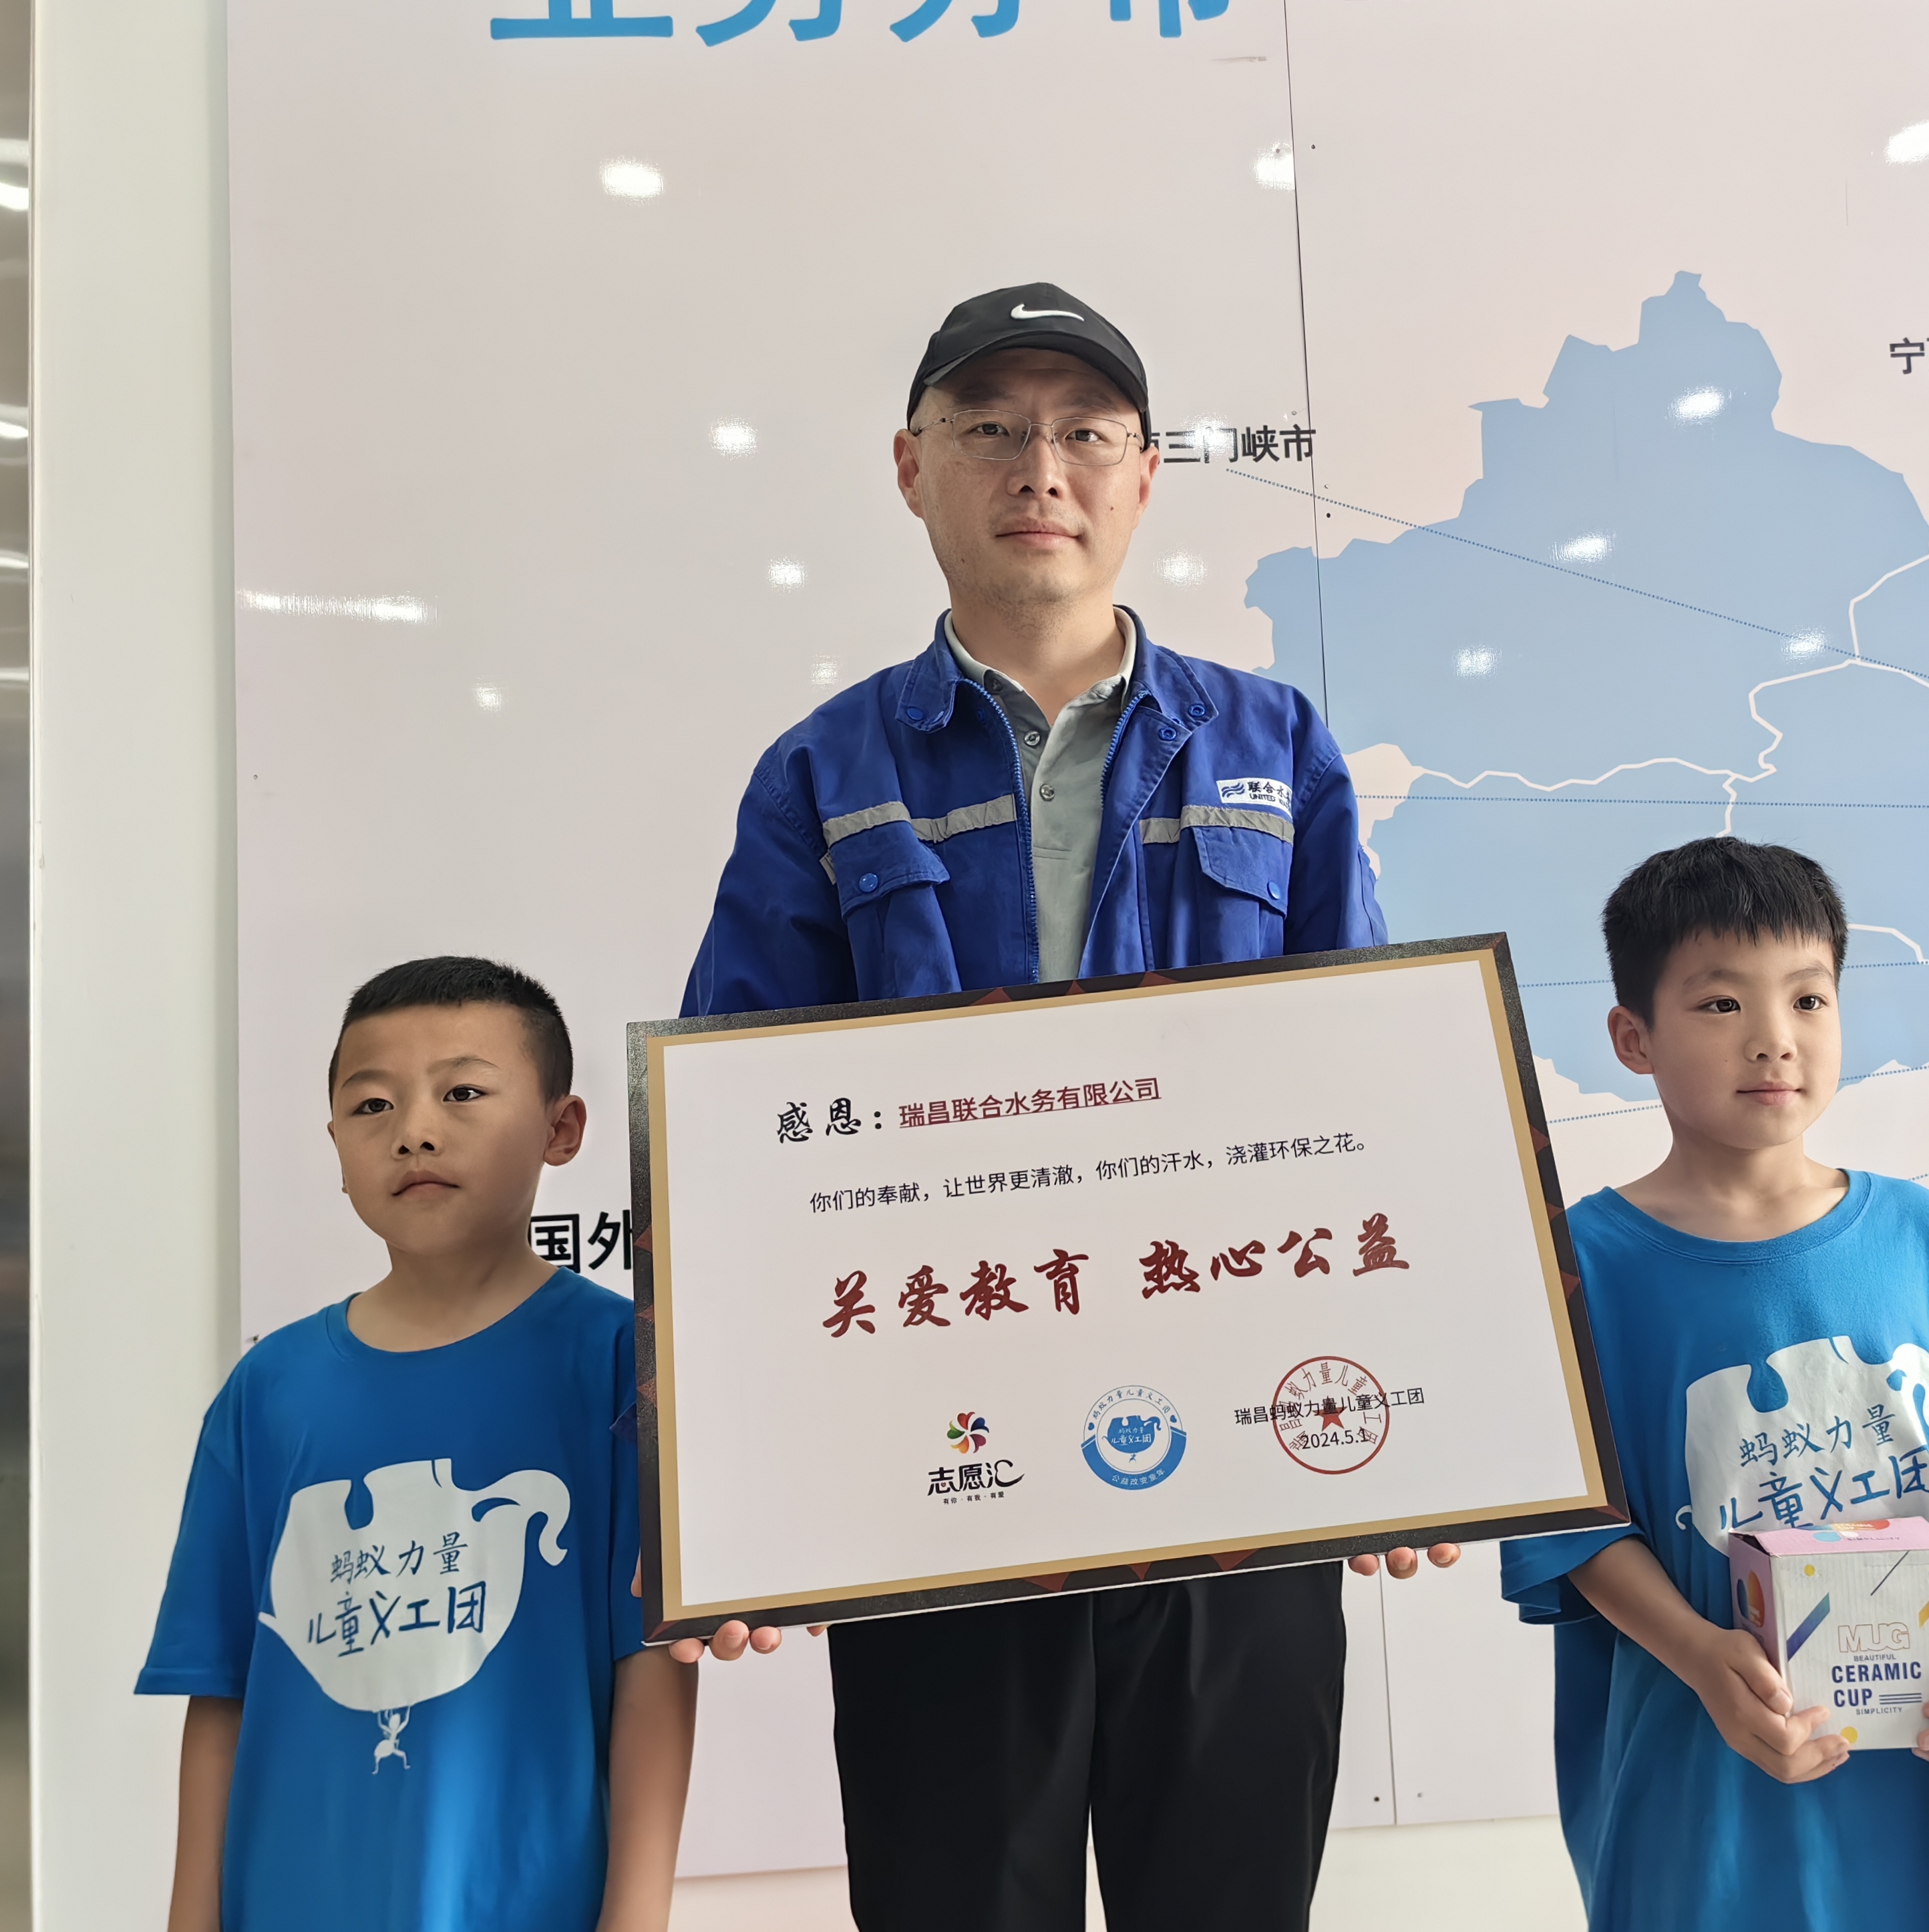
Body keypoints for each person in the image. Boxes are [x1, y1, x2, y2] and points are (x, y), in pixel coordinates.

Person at [674, 282, 1450, 1932]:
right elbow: (741, 1141)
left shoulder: (1273, 744)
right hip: (938, 1471)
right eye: (992, 429)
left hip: (1240, 1474)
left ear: (1145, 472)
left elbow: (1369, 1089)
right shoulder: (823, 771)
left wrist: (1417, 1428)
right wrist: (720, 1489)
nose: (1042, 467)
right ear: (911, 467)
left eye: (1086, 432)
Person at [1501, 837, 1929, 1927]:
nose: (1774, 1039)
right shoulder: (1579, 1266)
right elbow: (1572, 1525)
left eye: (1808, 998)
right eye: (1721, 1004)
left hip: (1927, 1763)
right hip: (1706, 1761)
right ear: (1633, 1038)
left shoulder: (1923, 1237)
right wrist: (1705, 1659)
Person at [138, 958, 695, 1932]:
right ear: (334, 1143)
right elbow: (222, 1688)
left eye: (463, 1092)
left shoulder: (627, 1365)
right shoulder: (268, 1390)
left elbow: (652, 1667)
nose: (415, 1131)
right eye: (373, 1105)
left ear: (562, 1128)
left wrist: (636, 1917)